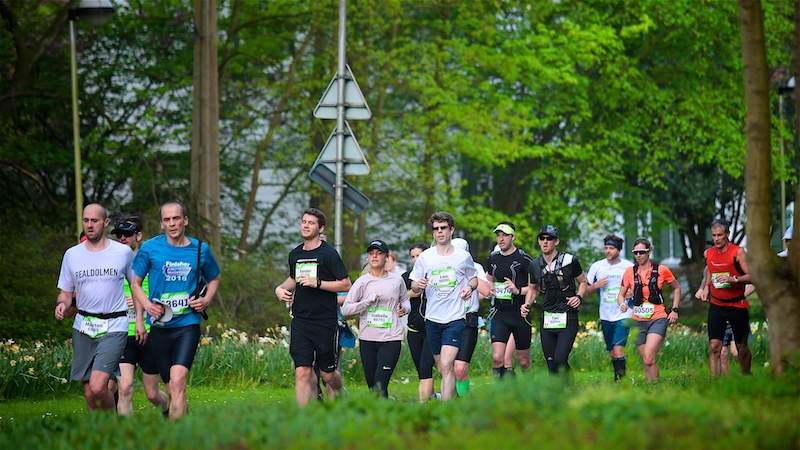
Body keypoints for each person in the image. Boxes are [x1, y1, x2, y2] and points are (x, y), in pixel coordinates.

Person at [131, 201, 221, 420]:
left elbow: (214, 278)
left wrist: (206, 300)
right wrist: (148, 306)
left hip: (187, 324)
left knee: (178, 380)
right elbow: (135, 283)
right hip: (160, 327)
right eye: (167, 219)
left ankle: (174, 435)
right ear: (162, 223)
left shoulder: (200, 249)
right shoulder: (150, 248)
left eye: (176, 218)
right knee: (171, 386)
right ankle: (182, 422)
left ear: (185, 221)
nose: (172, 223)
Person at [55, 203, 133, 412]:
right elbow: (65, 292)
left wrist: (143, 316)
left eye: (94, 221)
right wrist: (62, 304)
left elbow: (136, 285)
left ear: (105, 222)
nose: (89, 225)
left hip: (114, 324)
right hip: (83, 326)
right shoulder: (72, 254)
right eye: (86, 220)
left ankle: (111, 424)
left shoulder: (123, 252)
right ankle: (101, 427)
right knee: (90, 392)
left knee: (98, 386)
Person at [274, 208, 351, 406]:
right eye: (304, 222)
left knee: (328, 374)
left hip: (325, 321)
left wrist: (318, 283)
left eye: (311, 223)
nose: (306, 225)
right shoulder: (295, 254)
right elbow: (293, 279)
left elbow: (345, 284)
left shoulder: (329, 254)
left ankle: (339, 390)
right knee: (302, 371)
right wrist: (279, 289)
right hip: (300, 320)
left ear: (320, 228)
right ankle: (303, 418)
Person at [410, 212, 477, 401]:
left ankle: (447, 410)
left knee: (447, 364)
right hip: (432, 319)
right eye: (436, 229)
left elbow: (473, 278)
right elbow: (413, 284)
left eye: (443, 228)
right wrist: (418, 285)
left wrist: (469, 288)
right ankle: (455, 400)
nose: (439, 232)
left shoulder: (463, 256)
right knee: (442, 368)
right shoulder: (425, 257)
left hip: (455, 318)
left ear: (451, 230)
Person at [111, 214, 169, 417]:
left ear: (138, 236)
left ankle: (169, 408)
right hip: (122, 332)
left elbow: (164, 292)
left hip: (150, 331)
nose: (123, 238)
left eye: (127, 234)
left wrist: (145, 303)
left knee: (152, 394)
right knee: (125, 387)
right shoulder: (111, 262)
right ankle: (127, 433)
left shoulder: (151, 260)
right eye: (119, 234)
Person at [340, 240, 410, 398]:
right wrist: (366, 302)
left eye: (379, 253)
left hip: (391, 338)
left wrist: (404, 309)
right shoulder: (362, 282)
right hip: (368, 339)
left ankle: (382, 409)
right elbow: (345, 309)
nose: (374, 256)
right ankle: (382, 411)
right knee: (373, 387)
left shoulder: (396, 280)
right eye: (371, 253)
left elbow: (405, 301)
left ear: (386, 257)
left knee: (380, 384)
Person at [521, 225, 587, 374]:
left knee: (560, 358)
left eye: (549, 238)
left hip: (568, 315)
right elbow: (532, 288)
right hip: (548, 316)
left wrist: (579, 296)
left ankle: (568, 383)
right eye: (542, 238)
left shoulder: (569, 261)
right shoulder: (534, 265)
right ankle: (560, 387)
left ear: (556, 241)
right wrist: (527, 304)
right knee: (551, 363)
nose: (545, 242)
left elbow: (583, 282)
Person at [617, 238, 680, 382]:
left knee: (649, 357)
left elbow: (677, 288)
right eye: (635, 253)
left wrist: (674, 310)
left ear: (649, 252)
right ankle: (651, 385)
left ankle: (653, 385)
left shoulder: (662, 270)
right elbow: (621, 294)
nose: (638, 255)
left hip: (658, 318)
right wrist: (622, 304)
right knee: (647, 359)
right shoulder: (629, 272)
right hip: (638, 321)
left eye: (642, 252)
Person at [694, 219, 752, 376]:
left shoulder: (738, 252)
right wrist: (705, 287)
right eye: (714, 235)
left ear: (727, 234)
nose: (716, 239)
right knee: (714, 346)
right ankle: (715, 382)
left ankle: (747, 375)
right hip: (717, 305)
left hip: (737, 305)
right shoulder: (708, 253)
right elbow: (709, 271)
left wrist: (734, 279)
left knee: (741, 347)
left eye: (720, 235)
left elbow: (752, 276)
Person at [485, 222, 534, 379]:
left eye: (505, 235)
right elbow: (489, 279)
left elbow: (535, 288)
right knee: (497, 358)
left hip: (520, 314)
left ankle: (532, 389)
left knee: (524, 361)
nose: (501, 239)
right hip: (500, 313)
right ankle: (502, 390)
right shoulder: (493, 258)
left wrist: (517, 290)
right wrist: (490, 288)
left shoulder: (524, 258)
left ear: (513, 237)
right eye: (498, 235)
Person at [585, 235, 634, 381]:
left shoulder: (628, 266)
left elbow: (638, 286)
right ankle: (618, 377)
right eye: (606, 248)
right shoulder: (597, 266)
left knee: (618, 348)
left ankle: (620, 382)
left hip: (624, 313)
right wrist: (595, 285)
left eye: (611, 248)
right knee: (612, 351)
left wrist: (632, 292)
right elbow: (585, 290)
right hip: (605, 314)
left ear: (619, 250)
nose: (608, 251)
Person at [452, 238, 490, 396]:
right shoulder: (445, 266)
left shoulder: (476, 267)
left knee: (460, 368)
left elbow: (486, 291)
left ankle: (464, 399)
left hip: (468, 319)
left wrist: (468, 271)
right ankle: (451, 399)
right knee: (447, 366)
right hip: (448, 319)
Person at [401, 243, 436, 402]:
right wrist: (414, 291)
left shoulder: (435, 273)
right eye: (413, 256)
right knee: (421, 369)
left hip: (432, 327)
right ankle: (432, 396)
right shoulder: (406, 277)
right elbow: (400, 298)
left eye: (418, 256)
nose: (415, 259)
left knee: (425, 366)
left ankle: (424, 403)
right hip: (414, 329)